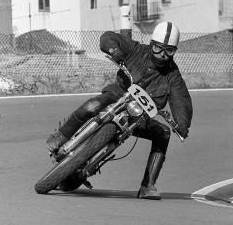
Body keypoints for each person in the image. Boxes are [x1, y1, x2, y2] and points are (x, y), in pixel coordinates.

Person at [46, 21, 193, 200]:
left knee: (163, 133)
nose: (163, 55)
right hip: (117, 95)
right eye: (158, 49)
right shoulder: (137, 50)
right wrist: (115, 51)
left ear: (174, 51)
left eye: (169, 51)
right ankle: (61, 136)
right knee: (92, 106)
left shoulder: (173, 76)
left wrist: (182, 124)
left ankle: (148, 186)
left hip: (139, 116)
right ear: (152, 44)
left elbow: (181, 101)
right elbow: (107, 37)